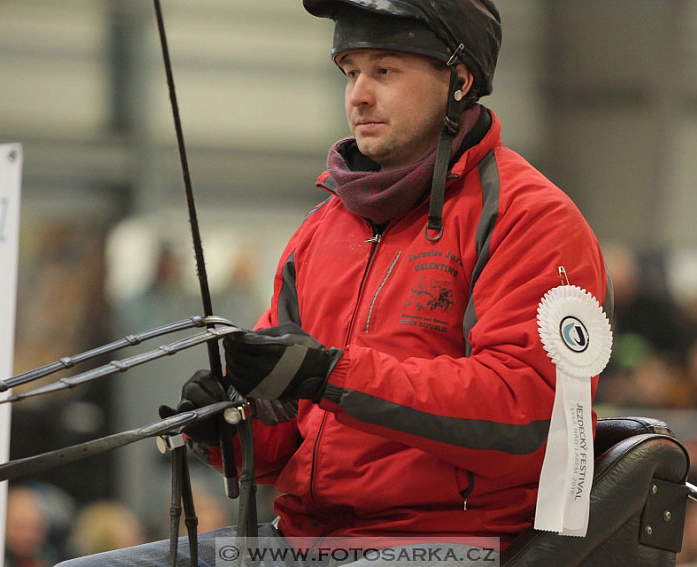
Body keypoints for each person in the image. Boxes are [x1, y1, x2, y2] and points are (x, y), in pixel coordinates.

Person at [58, 1, 608, 565]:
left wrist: (331, 375)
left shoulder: (531, 220)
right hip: (298, 540)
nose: (359, 95)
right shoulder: (321, 231)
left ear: (460, 81)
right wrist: (227, 425)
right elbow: (282, 436)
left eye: (385, 70)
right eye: (350, 71)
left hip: (444, 543)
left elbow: (528, 412)